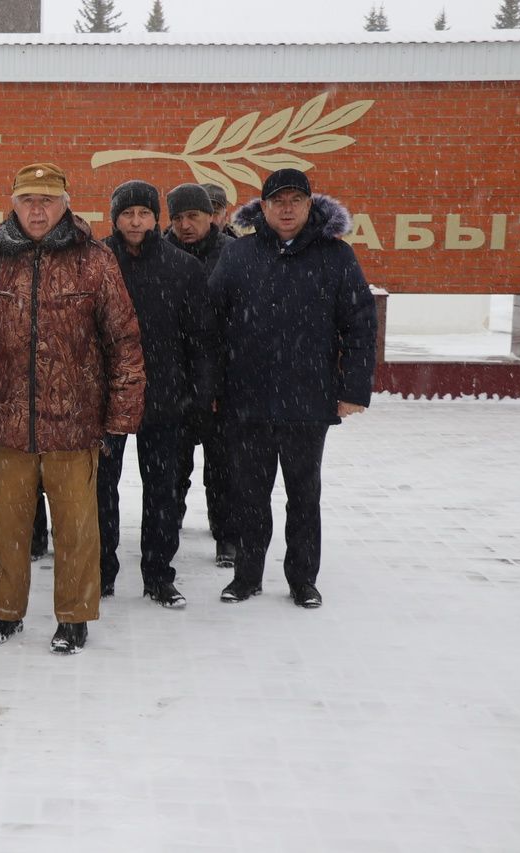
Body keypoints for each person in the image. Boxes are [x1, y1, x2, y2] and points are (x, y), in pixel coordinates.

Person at [0, 163, 146, 654]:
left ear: (65, 204)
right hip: (8, 422)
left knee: (76, 529)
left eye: (47, 200)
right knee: (10, 528)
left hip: (75, 422)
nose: (37, 209)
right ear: (13, 202)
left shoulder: (94, 260)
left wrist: (120, 418)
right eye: (27, 199)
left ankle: (74, 617)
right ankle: (4, 613)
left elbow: (124, 340)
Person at [210, 168, 377, 608]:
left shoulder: (335, 256)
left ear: (309, 205)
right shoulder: (239, 255)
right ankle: (246, 576)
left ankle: (303, 579)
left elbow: (360, 325)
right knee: (249, 494)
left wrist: (354, 390)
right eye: (277, 201)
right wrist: (213, 387)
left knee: (304, 494)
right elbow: (211, 325)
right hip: (247, 400)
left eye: (295, 201)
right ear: (262, 208)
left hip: (308, 398)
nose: (286, 209)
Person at [102, 181, 214, 607]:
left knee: (163, 490)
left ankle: (158, 574)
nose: (135, 221)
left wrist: (199, 395)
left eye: (143, 213)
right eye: (127, 213)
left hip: (165, 397)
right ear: (114, 217)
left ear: (155, 218)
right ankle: (101, 570)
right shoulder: (96, 260)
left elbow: (202, 338)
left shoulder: (182, 267)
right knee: (101, 490)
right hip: (107, 396)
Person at [163, 183, 236, 570]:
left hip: (222, 381)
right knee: (173, 467)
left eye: (193, 216)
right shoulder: (161, 254)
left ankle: (227, 535)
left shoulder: (234, 256)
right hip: (173, 380)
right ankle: (167, 529)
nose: (186, 225)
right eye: (178, 218)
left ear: (213, 216)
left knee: (223, 468)